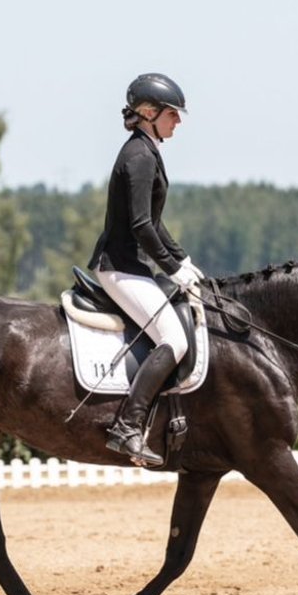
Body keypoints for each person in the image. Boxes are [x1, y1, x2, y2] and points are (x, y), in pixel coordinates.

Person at [87, 72, 204, 467]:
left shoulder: (147, 150)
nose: (179, 121)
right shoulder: (138, 156)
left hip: (132, 266)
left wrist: (182, 260)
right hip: (119, 268)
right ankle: (127, 427)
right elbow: (140, 226)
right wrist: (171, 268)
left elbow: (154, 223)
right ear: (149, 113)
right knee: (175, 339)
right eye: (172, 113)